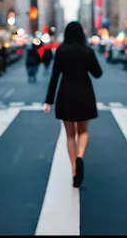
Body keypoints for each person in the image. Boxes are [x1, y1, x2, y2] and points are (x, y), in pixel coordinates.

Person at [44, 21, 102, 188]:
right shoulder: (88, 51)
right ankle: (80, 156)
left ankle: (75, 169)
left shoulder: (61, 52)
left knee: (70, 135)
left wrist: (49, 101)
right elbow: (97, 74)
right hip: (84, 93)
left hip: (65, 93)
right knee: (83, 132)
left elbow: (54, 77)